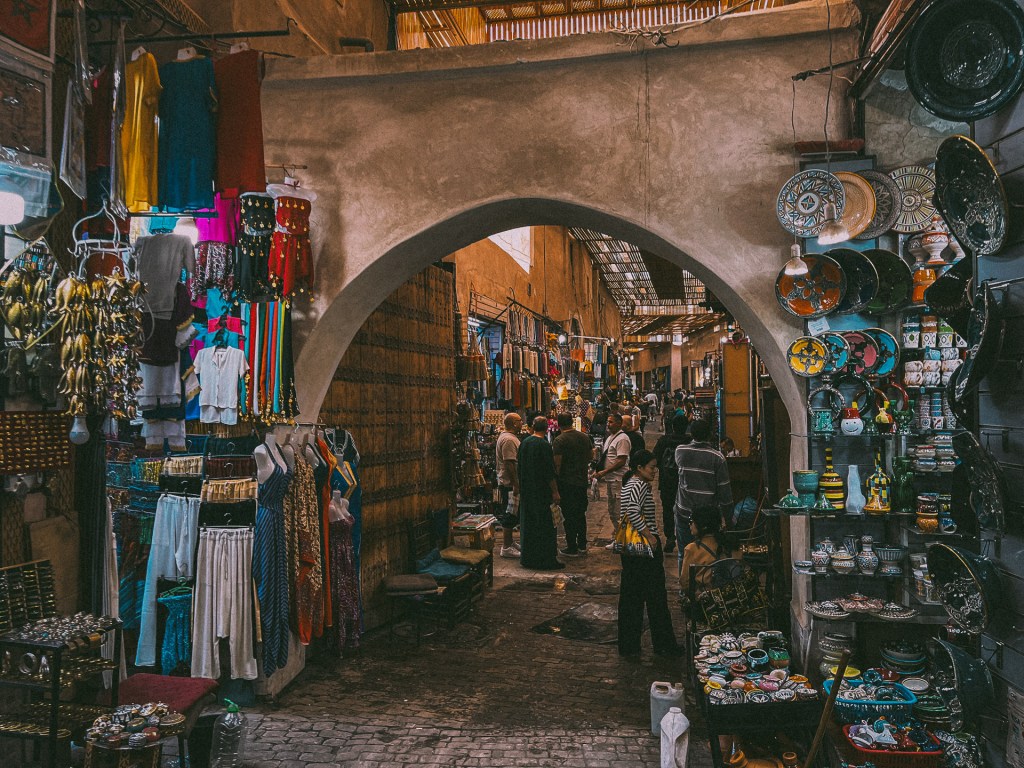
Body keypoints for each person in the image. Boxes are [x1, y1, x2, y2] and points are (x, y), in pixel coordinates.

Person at [616, 450, 682, 658]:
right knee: (656, 598)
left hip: (631, 550)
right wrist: (651, 537)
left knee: (631, 598)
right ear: (639, 468)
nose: (655, 471)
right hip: (644, 549)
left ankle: (629, 646)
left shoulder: (630, 484)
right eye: (652, 467)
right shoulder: (639, 485)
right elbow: (634, 512)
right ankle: (664, 645)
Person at [673, 419, 733, 558]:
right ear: (710, 434)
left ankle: (685, 579)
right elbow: (724, 492)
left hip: (684, 510)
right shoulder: (717, 458)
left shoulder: (680, 451)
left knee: (684, 553)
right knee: (709, 553)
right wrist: (728, 518)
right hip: (707, 516)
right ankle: (705, 579)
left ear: (691, 433)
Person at [517, 415, 563, 570]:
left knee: (529, 524)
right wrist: (555, 492)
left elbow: (519, 467)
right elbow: (549, 472)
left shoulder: (525, 443)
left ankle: (528, 557)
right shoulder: (544, 445)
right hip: (542, 492)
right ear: (547, 428)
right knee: (545, 526)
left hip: (527, 490)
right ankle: (546, 559)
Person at [552, 412, 592, 556]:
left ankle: (572, 546)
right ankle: (582, 544)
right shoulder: (584, 437)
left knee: (569, 516)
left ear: (558, 423)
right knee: (580, 514)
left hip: (566, 483)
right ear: (572, 422)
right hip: (581, 482)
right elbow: (590, 457)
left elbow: (557, 464)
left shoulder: (559, 441)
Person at [652, 413, 691, 553]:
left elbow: (654, 458)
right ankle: (687, 537)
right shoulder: (689, 441)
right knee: (687, 509)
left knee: (668, 510)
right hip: (686, 482)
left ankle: (670, 537)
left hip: (667, 481)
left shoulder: (664, 440)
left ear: (672, 426)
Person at [679, 504, 739, 594]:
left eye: (691, 521)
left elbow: (685, 583)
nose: (689, 524)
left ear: (703, 526)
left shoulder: (692, 549)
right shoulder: (728, 543)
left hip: (705, 601)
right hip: (729, 595)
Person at [594, 413, 632, 544]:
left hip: (618, 479)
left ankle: (622, 540)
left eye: (611, 422)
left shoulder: (622, 439)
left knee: (618, 511)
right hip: (611, 479)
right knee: (612, 510)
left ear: (619, 424)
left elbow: (621, 461)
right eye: (607, 422)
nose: (608, 424)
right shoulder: (611, 437)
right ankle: (618, 537)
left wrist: (604, 471)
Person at [495, 412, 523, 558]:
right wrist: (515, 484)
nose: (522, 422)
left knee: (513, 512)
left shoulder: (509, 438)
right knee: (510, 513)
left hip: (509, 482)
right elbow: (510, 463)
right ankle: (506, 546)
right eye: (519, 420)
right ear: (513, 423)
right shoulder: (508, 440)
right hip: (509, 484)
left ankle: (510, 542)